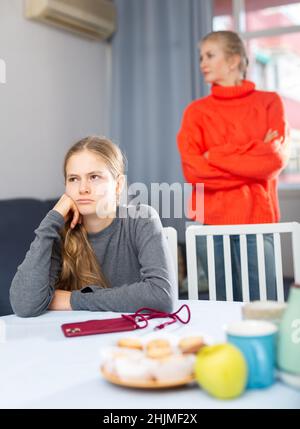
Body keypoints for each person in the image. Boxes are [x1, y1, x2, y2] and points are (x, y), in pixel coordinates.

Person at [177, 31, 289, 301]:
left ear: (233, 60)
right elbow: (193, 171)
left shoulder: (269, 102)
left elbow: (272, 161)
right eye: (201, 56)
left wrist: (213, 155)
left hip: (257, 220)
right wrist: (251, 160)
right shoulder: (196, 111)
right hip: (211, 224)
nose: (202, 62)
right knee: (221, 307)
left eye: (210, 55)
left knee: (264, 306)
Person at [10, 136, 175, 317]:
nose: (83, 188)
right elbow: (24, 305)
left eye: (94, 177)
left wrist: (73, 300)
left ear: (118, 185)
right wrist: (52, 219)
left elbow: (161, 296)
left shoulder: (141, 219)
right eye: (73, 179)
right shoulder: (58, 231)